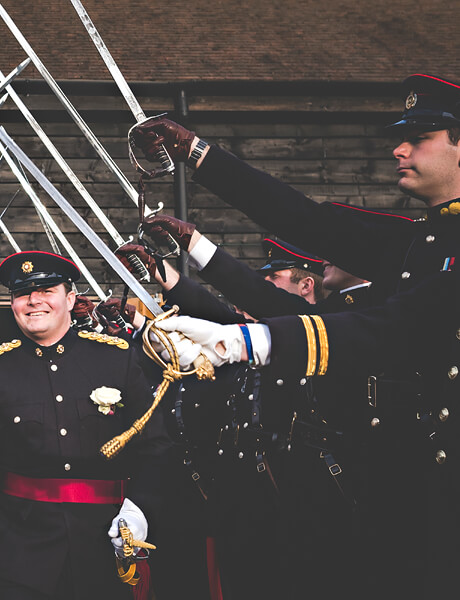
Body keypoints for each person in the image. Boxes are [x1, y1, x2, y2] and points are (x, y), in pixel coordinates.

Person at [130, 73, 460, 598]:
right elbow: (307, 221)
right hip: (401, 493)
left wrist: (252, 342)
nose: (398, 149)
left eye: (418, 137)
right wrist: (195, 152)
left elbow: (399, 327)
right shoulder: (423, 239)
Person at [0, 251, 173, 600]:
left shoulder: (116, 359)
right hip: (20, 555)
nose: (34, 301)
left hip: (104, 550)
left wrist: (139, 508)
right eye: (22, 293)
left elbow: (155, 446)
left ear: (70, 297)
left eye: (47, 289)